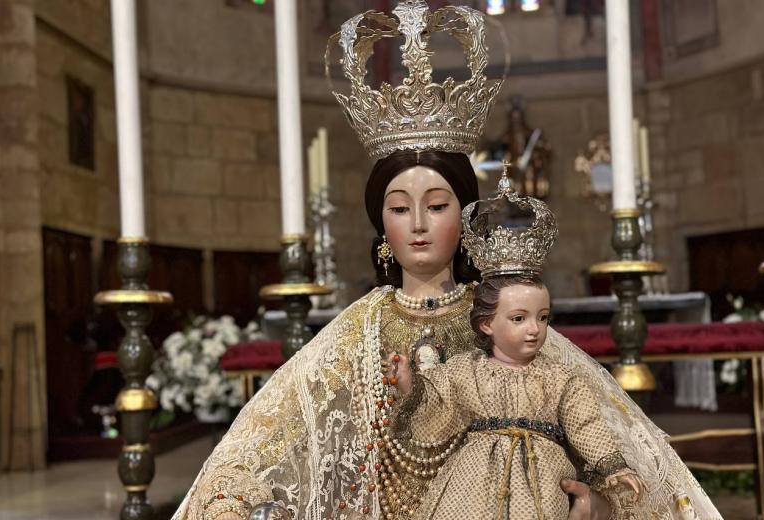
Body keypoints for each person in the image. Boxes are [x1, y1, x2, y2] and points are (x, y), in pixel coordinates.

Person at [172, 2, 721, 519]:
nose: (417, 224)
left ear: (464, 217)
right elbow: (267, 436)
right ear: (379, 222)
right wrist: (228, 500)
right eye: (398, 207)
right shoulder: (358, 331)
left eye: (436, 206)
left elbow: (589, 420)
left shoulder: (503, 317)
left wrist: (595, 496)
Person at [386, 271, 645, 518]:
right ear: (487, 323)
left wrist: (612, 466)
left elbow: (585, 423)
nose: (534, 329)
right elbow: (437, 402)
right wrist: (409, 384)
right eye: (519, 319)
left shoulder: (558, 376)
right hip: (474, 478)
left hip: (540, 474)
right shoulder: (467, 369)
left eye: (543, 318)